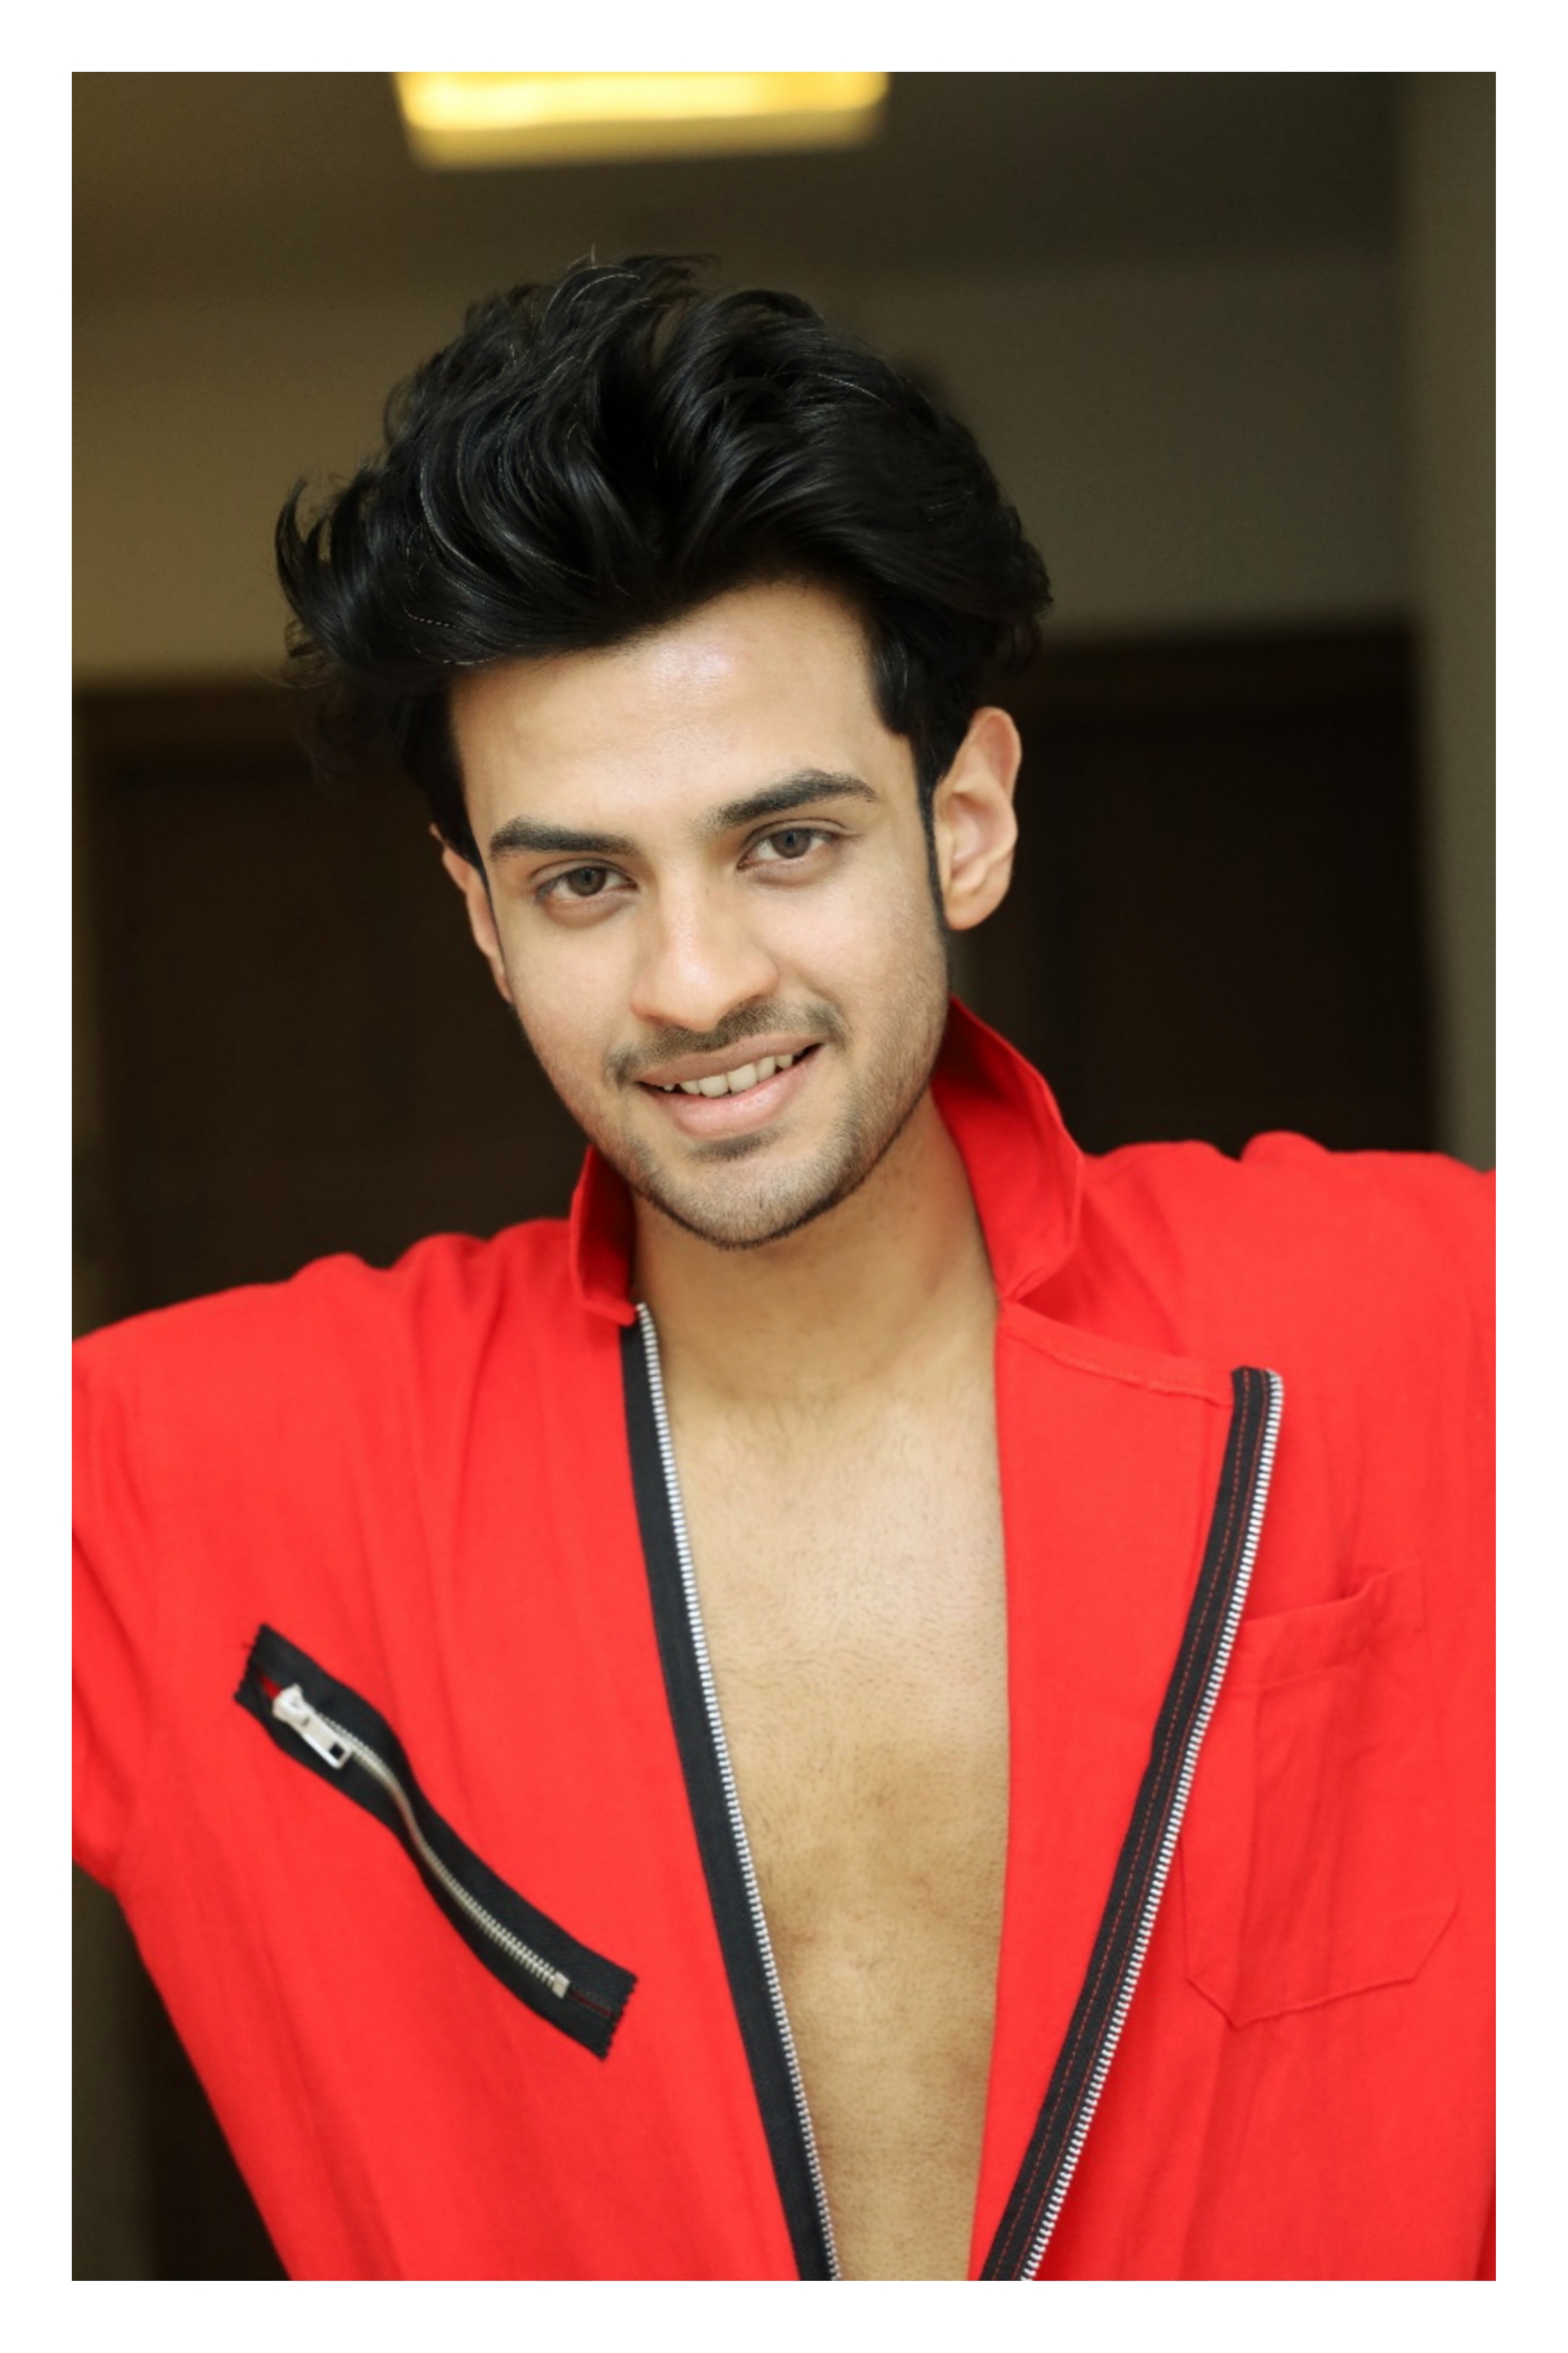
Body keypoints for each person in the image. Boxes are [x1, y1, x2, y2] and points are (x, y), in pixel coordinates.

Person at [72, 254, 1493, 2281]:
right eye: (585, 881)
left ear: (965, 819)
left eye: (788, 843)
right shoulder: (210, 1466)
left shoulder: (1443, 1309)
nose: (694, 979)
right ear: (482, 920)